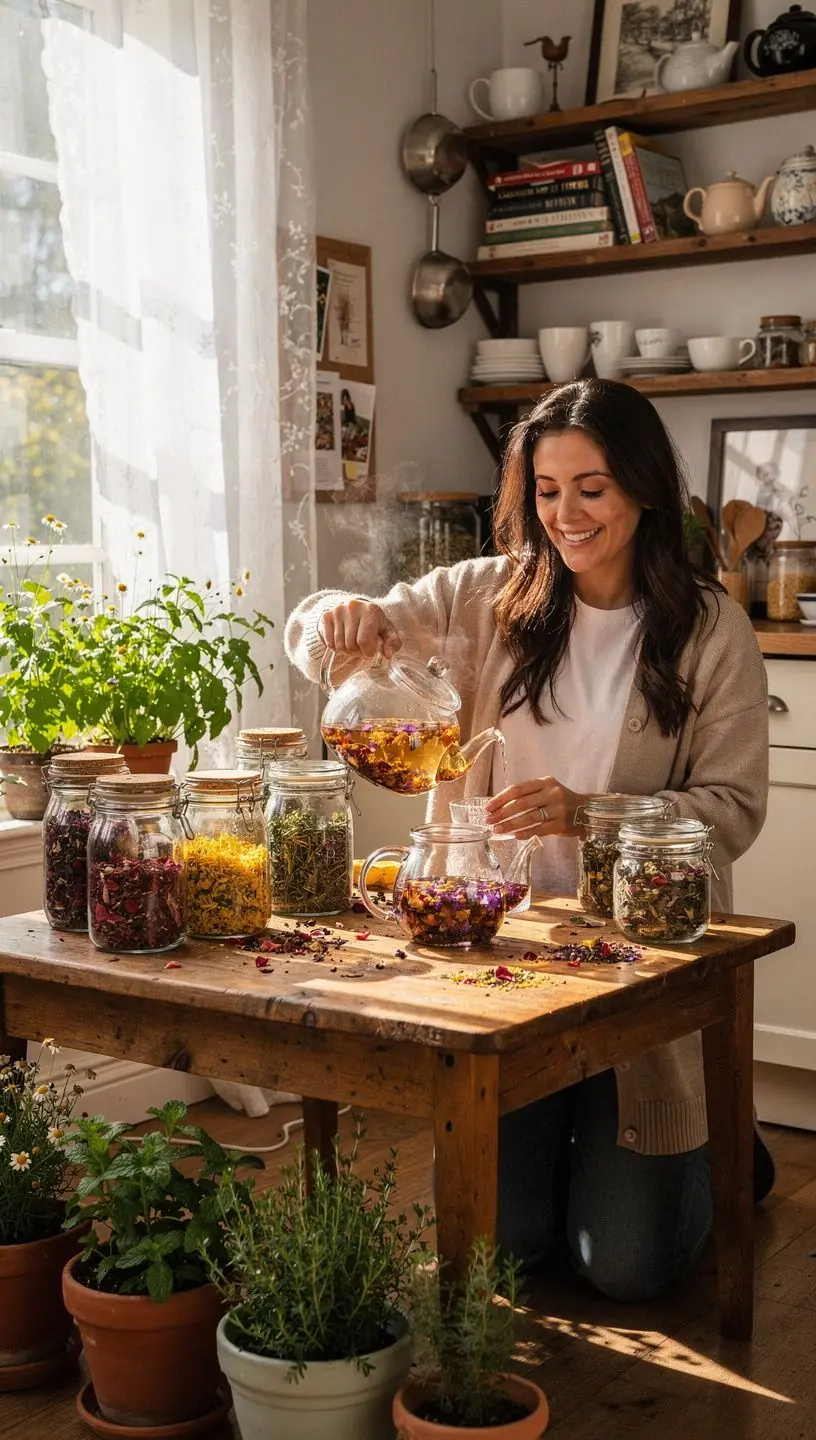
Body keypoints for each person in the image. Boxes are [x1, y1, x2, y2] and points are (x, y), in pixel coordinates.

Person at [285, 379, 771, 1301]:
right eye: (547, 491)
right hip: (498, 952)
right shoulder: (484, 596)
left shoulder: (713, 631)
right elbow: (324, 637)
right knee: (505, 1255)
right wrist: (335, 613)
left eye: (592, 487)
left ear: (644, 488)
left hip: (632, 969)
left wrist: (588, 812)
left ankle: (729, 1155)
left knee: (626, 1272)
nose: (567, 514)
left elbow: (733, 810)